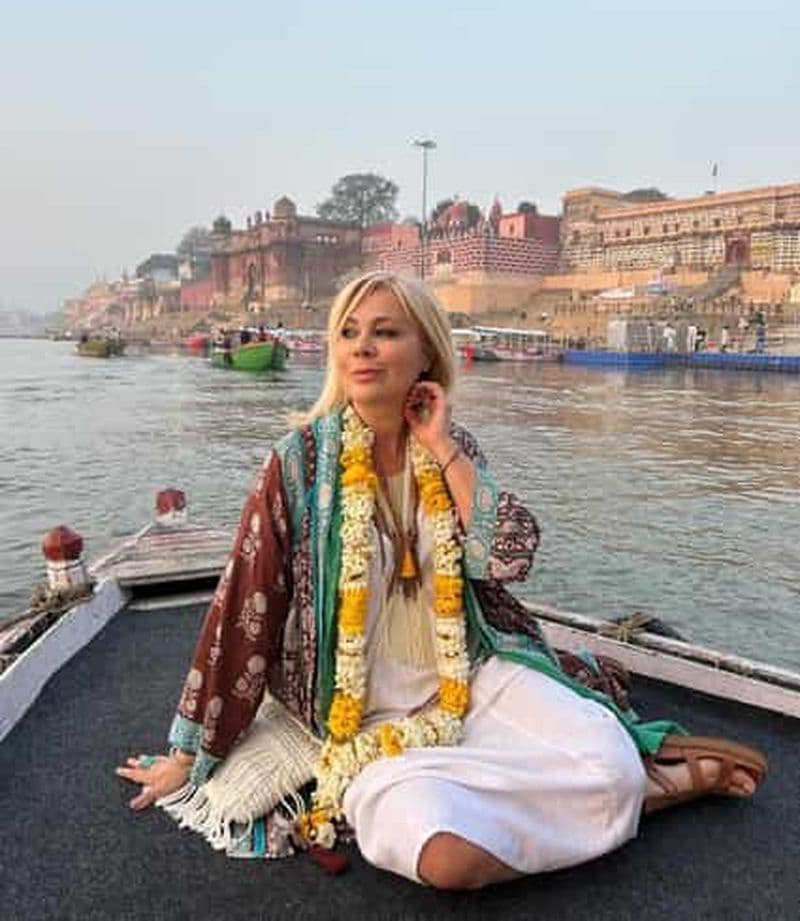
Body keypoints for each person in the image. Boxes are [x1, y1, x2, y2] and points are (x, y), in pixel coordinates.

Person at [117, 270, 766, 889]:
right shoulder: (299, 463)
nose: (362, 347)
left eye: (385, 332)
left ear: (425, 350)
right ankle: (643, 794)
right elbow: (247, 605)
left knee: (608, 757)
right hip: (363, 723)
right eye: (349, 332)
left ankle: (635, 786)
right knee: (446, 858)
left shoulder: (455, 449)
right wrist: (191, 752)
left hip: (470, 680)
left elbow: (509, 558)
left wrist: (444, 446)